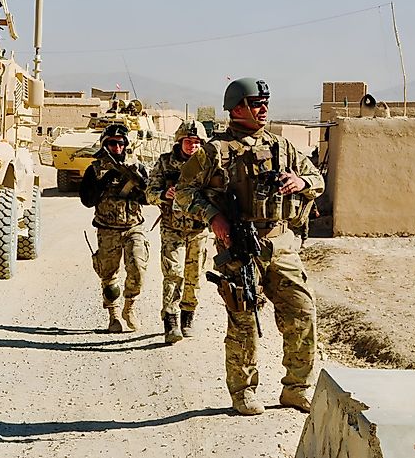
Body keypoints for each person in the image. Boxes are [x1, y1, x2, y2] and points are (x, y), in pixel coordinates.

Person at [174, 77, 324, 415]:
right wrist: (214, 218)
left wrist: (300, 182)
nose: (264, 108)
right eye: (257, 103)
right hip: (241, 245)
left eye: (266, 101)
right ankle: (243, 391)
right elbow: (184, 192)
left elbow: (317, 179)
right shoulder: (215, 151)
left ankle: (297, 388)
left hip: (281, 243)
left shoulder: (282, 146)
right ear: (237, 108)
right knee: (243, 320)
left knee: (302, 312)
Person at [79, 124, 150, 333]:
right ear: (105, 144)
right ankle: (114, 315)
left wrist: (139, 186)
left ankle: (130, 307)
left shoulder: (136, 166)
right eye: (112, 143)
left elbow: (149, 197)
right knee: (109, 277)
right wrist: (103, 182)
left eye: (120, 143)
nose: (117, 147)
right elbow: (87, 200)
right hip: (107, 229)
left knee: (138, 268)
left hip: (133, 227)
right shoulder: (94, 169)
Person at [146, 119, 210, 344]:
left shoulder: (208, 165)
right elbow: (149, 193)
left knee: (194, 277)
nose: (192, 145)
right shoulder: (165, 163)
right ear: (179, 141)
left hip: (198, 229)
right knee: (173, 274)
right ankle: (170, 320)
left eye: (196, 142)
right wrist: (164, 194)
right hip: (172, 228)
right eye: (188, 141)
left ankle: (188, 317)